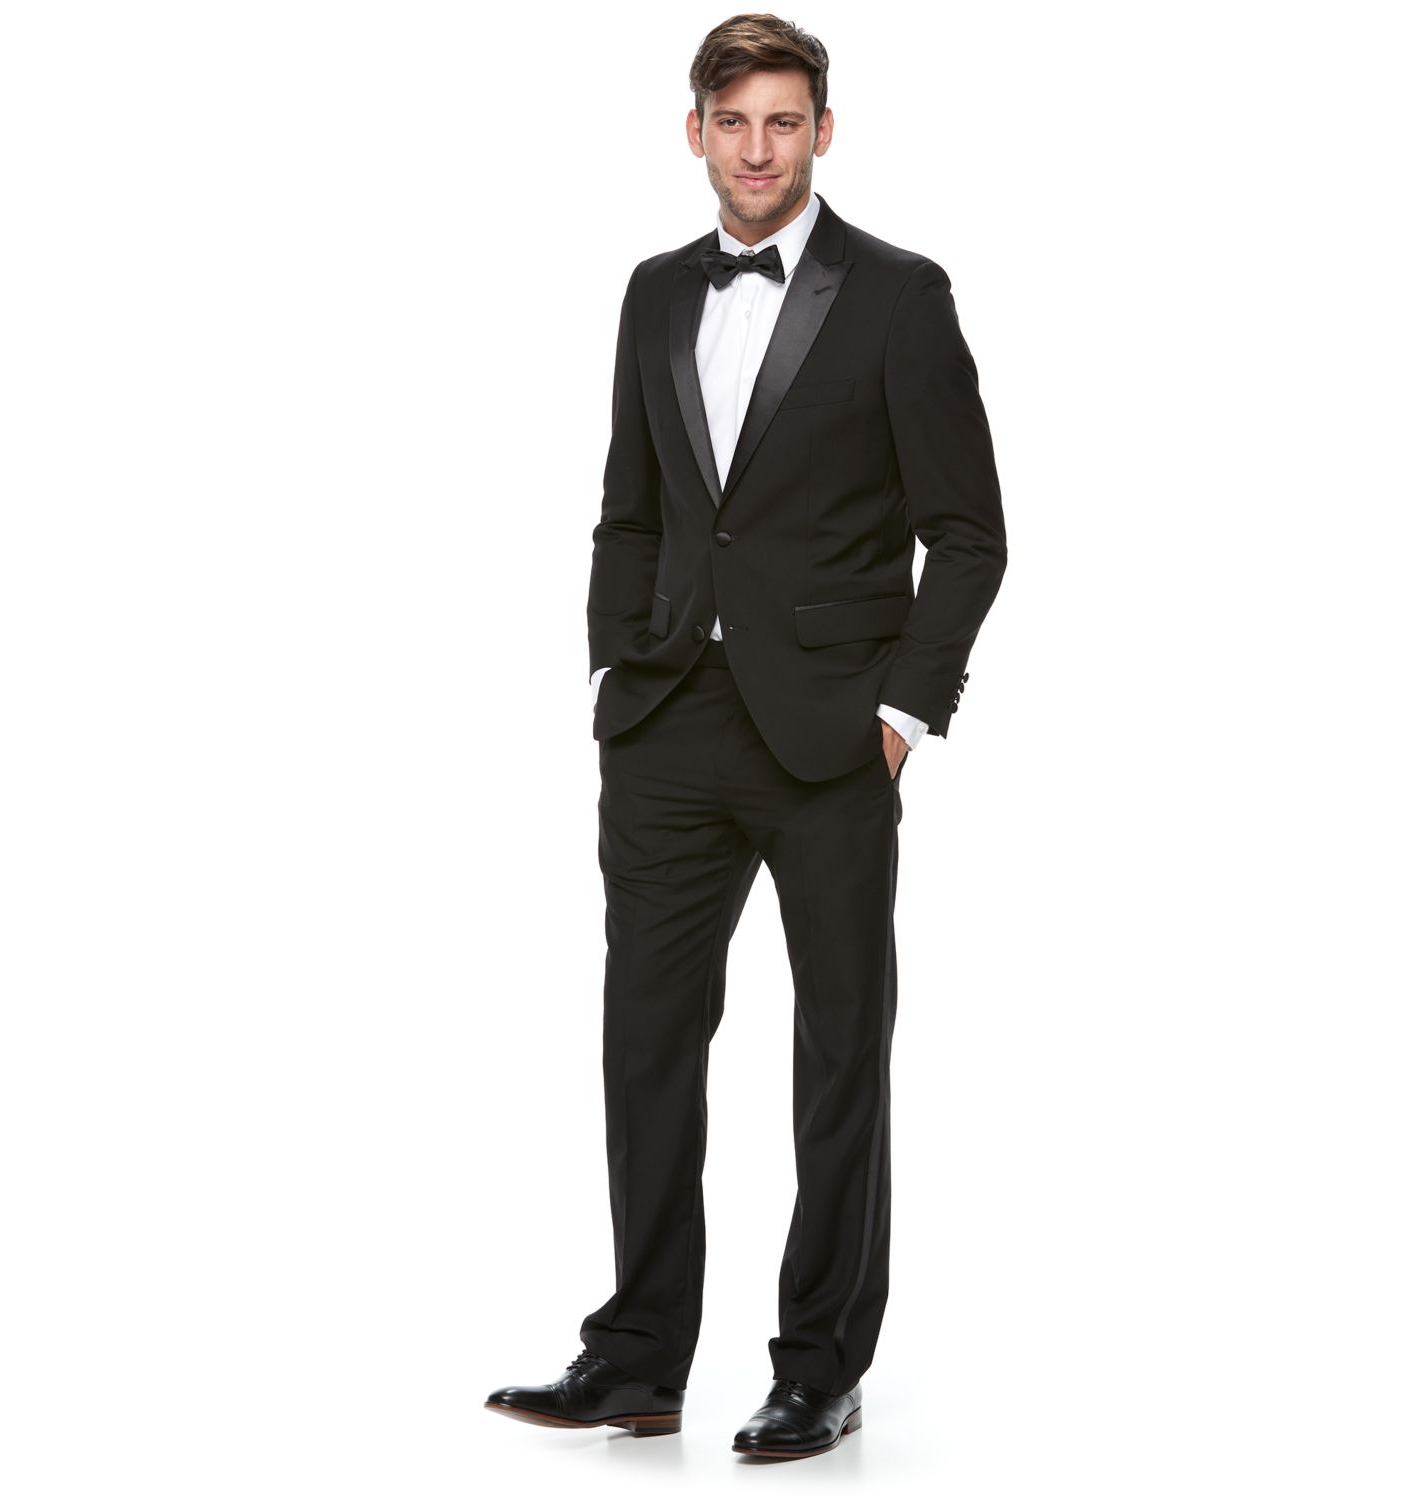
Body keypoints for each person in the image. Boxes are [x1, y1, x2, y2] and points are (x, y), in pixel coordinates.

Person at [485, 13, 1006, 1461]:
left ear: (823, 132)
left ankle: (820, 1366)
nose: (759, 149)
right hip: (666, 728)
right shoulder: (655, 292)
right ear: (696, 133)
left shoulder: (899, 295)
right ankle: (636, 1356)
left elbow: (969, 532)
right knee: (644, 1043)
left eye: (785, 121)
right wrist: (616, 677)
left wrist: (902, 716)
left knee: (839, 1055)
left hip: (832, 740)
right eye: (734, 123)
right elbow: (631, 507)